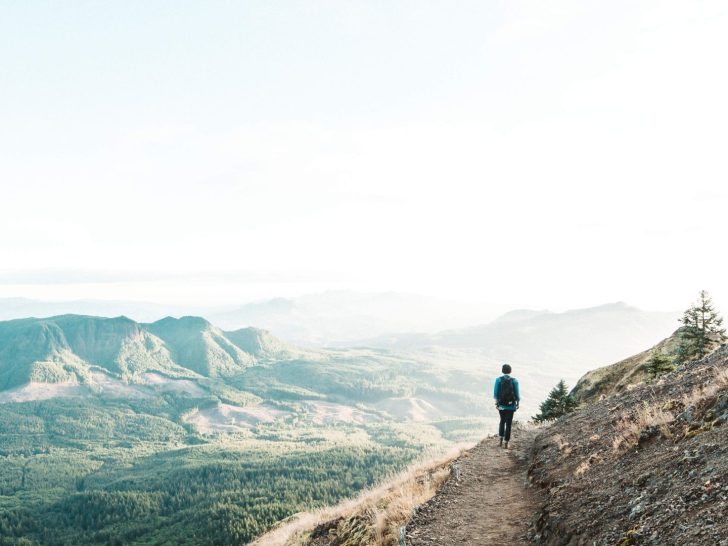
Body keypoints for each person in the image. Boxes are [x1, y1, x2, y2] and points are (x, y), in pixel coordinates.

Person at [493, 363, 520, 449]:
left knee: (502, 421)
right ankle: (506, 443)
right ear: (510, 371)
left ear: (502, 371)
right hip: (511, 406)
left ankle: (500, 440)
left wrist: (497, 403)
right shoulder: (514, 381)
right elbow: (517, 395)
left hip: (501, 406)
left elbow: (495, 394)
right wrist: (517, 404)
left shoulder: (498, 380)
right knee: (508, 424)